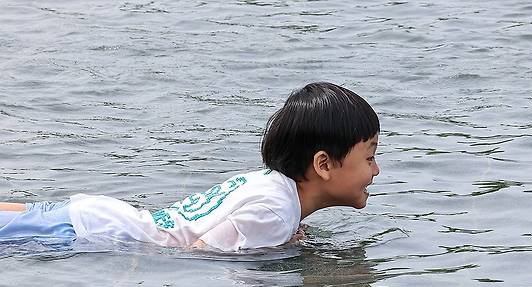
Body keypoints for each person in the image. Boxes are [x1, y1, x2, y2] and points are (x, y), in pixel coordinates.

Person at [0, 82, 380, 252]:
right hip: (91, 235)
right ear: (324, 165)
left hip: (98, 218)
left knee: (24, 215)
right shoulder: (276, 210)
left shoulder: (271, 188)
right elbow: (198, 251)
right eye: (370, 157)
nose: (375, 171)